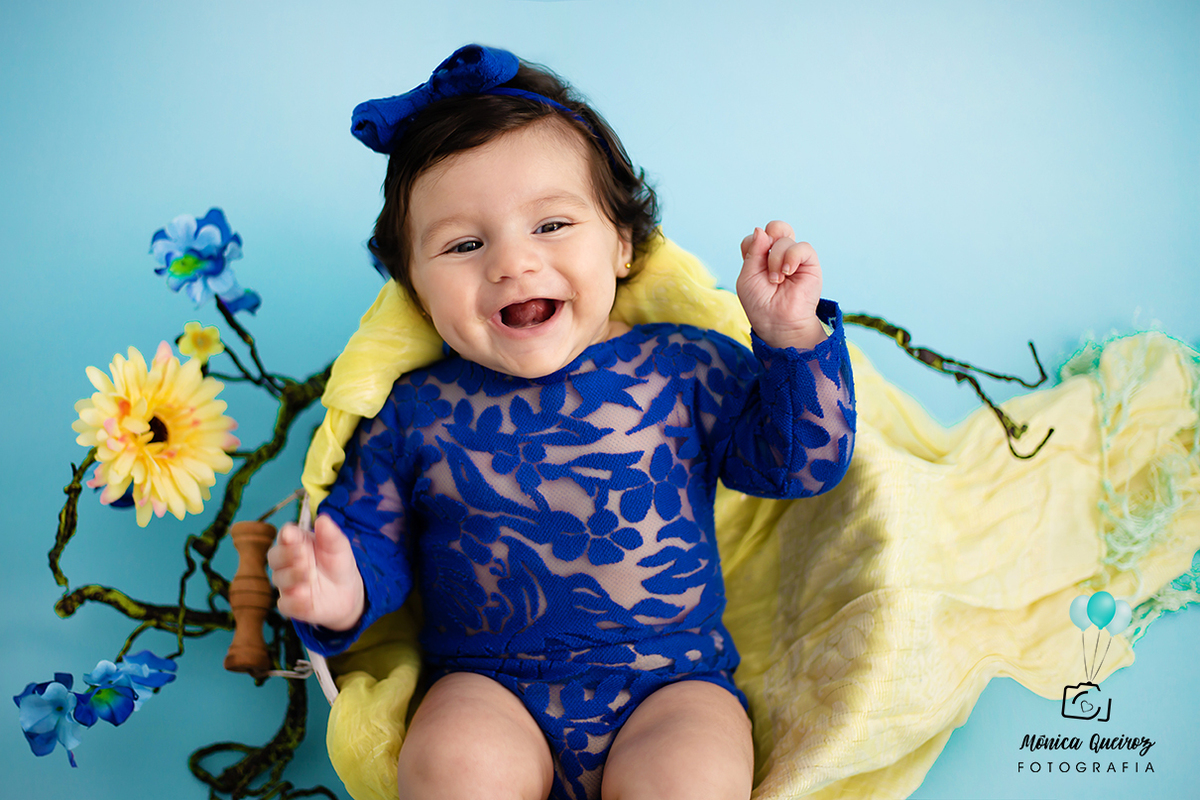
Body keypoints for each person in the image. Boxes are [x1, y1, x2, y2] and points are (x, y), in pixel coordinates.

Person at [268, 44, 856, 800]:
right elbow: (373, 543)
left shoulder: (681, 366)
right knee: (454, 762)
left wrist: (790, 339)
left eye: (550, 224)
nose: (512, 263)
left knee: (689, 779)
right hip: (488, 687)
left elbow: (798, 464)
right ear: (415, 291)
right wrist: (339, 587)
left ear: (622, 245)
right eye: (464, 244)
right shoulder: (415, 413)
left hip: (671, 684)